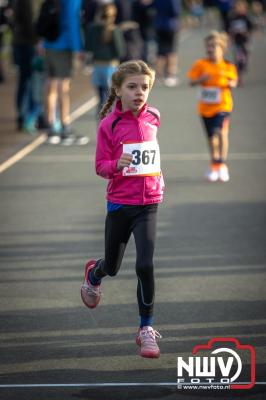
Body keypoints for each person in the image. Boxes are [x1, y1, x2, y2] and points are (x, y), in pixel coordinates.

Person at [81, 60, 164, 358]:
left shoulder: (154, 116)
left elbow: (151, 155)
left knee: (145, 265)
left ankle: (146, 329)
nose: (139, 92)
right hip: (120, 204)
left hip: (149, 204)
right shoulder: (109, 125)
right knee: (114, 267)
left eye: (144, 87)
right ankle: (95, 274)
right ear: (117, 90)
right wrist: (115, 166)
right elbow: (99, 166)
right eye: (132, 87)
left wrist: (157, 178)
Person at [187, 31, 238, 182]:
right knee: (211, 139)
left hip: (223, 106)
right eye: (208, 46)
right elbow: (191, 81)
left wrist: (231, 84)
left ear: (222, 48)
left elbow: (234, 80)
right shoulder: (201, 64)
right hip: (205, 108)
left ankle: (222, 165)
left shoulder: (228, 66)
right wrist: (200, 79)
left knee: (221, 132)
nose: (210, 49)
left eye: (214, 46)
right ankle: (215, 164)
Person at [44, 0, 89, 145]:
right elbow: (72, 22)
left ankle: (51, 126)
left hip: (49, 43)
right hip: (63, 45)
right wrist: (78, 48)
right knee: (63, 88)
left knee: (51, 86)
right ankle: (65, 127)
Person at [85, 2, 125, 116]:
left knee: (101, 96)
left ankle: (101, 119)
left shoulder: (92, 28)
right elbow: (120, 51)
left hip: (97, 66)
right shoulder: (114, 30)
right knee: (112, 97)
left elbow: (88, 47)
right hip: (111, 67)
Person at [153, 0, 181, 87]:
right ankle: (170, 76)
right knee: (171, 51)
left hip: (159, 25)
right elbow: (176, 11)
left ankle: (159, 75)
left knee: (160, 51)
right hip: (170, 26)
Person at [228, 0, 253, 87]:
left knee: (245, 56)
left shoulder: (246, 18)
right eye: (236, 7)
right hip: (237, 42)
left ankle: (244, 64)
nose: (238, 9)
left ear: (244, 8)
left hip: (245, 41)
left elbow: (251, 29)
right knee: (238, 61)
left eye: (240, 7)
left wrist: (245, 32)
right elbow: (229, 29)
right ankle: (239, 78)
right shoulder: (232, 18)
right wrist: (231, 36)